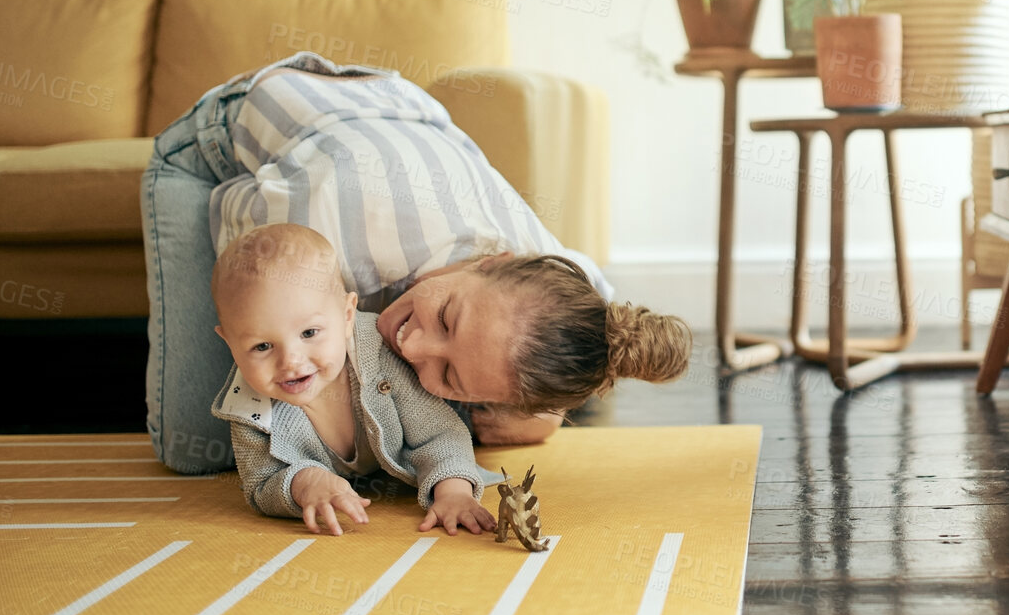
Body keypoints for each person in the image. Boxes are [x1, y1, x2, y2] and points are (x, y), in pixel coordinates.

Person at [142, 51, 691, 476]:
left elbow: (597, 334)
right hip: (226, 140)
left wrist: (539, 416)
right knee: (200, 445)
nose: (412, 346)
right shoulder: (323, 223)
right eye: (447, 318)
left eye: (450, 375)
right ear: (493, 261)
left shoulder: (565, 281)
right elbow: (240, 262)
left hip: (399, 117)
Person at [209, 223, 500, 536]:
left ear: (347, 316)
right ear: (231, 344)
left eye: (309, 333)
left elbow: (438, 433)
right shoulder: (250, 409)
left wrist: (453, 492)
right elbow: (260, 481)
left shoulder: (380, 358)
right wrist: (303, 483)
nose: (290, 361)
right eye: (262, 346)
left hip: (445, 411)